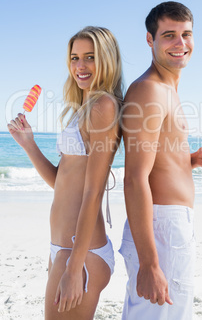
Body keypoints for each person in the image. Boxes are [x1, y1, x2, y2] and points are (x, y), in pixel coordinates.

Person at [7, 26, 123, 319]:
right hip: (63, 247)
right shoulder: (82, 107)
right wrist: (29, 145)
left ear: (107, 60)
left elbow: (93, 191)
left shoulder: (103, 106)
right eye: (74, 57)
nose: (80, 66)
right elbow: (62, 183)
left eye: (90, 57)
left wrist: (74, 267)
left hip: (79, 253)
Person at [119, 1, 202, 319]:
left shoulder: (167, 90)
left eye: (186, 34)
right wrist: (150, 263)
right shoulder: (149, 90)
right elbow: (134, 177)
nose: (181, 44)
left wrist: (191, 161)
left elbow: (158, 163)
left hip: (168, 225)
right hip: (160, 228)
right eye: (169, 35)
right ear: (150, 40)